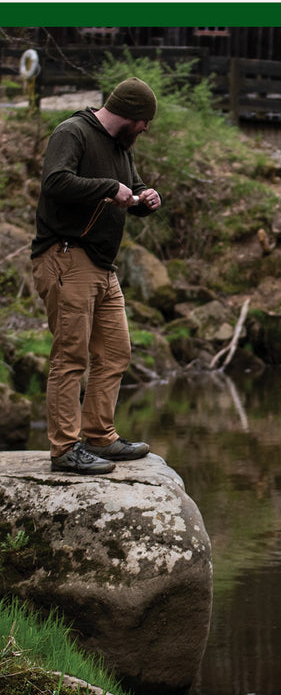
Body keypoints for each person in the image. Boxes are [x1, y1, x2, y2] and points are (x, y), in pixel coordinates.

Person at [31, 77, 163, 475]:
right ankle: (64, 448)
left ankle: (99, 436)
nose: (145, 129)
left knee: (115, 352)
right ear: (130, 114)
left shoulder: (122, 147)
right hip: (66, 258)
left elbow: (131, 190)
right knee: (70, 355)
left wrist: (145, 199)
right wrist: (110, 188)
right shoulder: (73, 132)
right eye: (144, 121)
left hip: (103, 266)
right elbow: (55, 181)